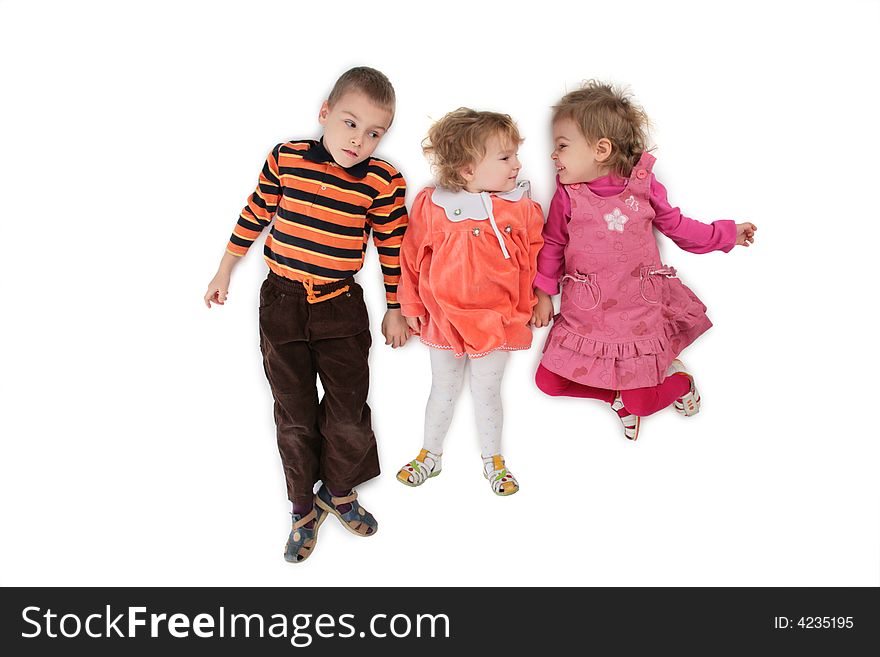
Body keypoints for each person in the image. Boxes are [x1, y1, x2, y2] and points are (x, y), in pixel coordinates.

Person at [203, 67, 409, 562]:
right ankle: (301, 507)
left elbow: (392, 247)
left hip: (341, 306)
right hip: (282, 303)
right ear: (325, 113)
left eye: (375, 132)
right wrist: (224, 270)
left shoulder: (384, 181)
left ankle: (337, 492)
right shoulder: (288, 158)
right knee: (294, 414)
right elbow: (256, 212)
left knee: (348, 414)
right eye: (350, 123)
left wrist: (397, 308)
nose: (359, 140)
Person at [532, 81, 757, 440]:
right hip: (587, 314)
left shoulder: (644, 185)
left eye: (561, 146)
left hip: (638, 312)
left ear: (601, 149)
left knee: (642, 404)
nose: (552, 156)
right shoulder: (567, 196)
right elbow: (553, 242)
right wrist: (543, 292)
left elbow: (679, 228)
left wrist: (726, 233)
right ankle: (615, 398)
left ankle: (681, 384)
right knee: (548, 381)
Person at [396, 109, 544, 495]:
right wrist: (410, 307)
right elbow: (411, 258)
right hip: (443, 317)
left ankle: (494, 461)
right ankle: (431, 454)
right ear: (466, 170)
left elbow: (536, 256)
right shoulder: (432, 204)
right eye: (505, 157)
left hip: (497, 319)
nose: (517, 164)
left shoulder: (522, 207)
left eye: (515, 155)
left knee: (487, 392)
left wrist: (541, 296)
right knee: (442, 388)